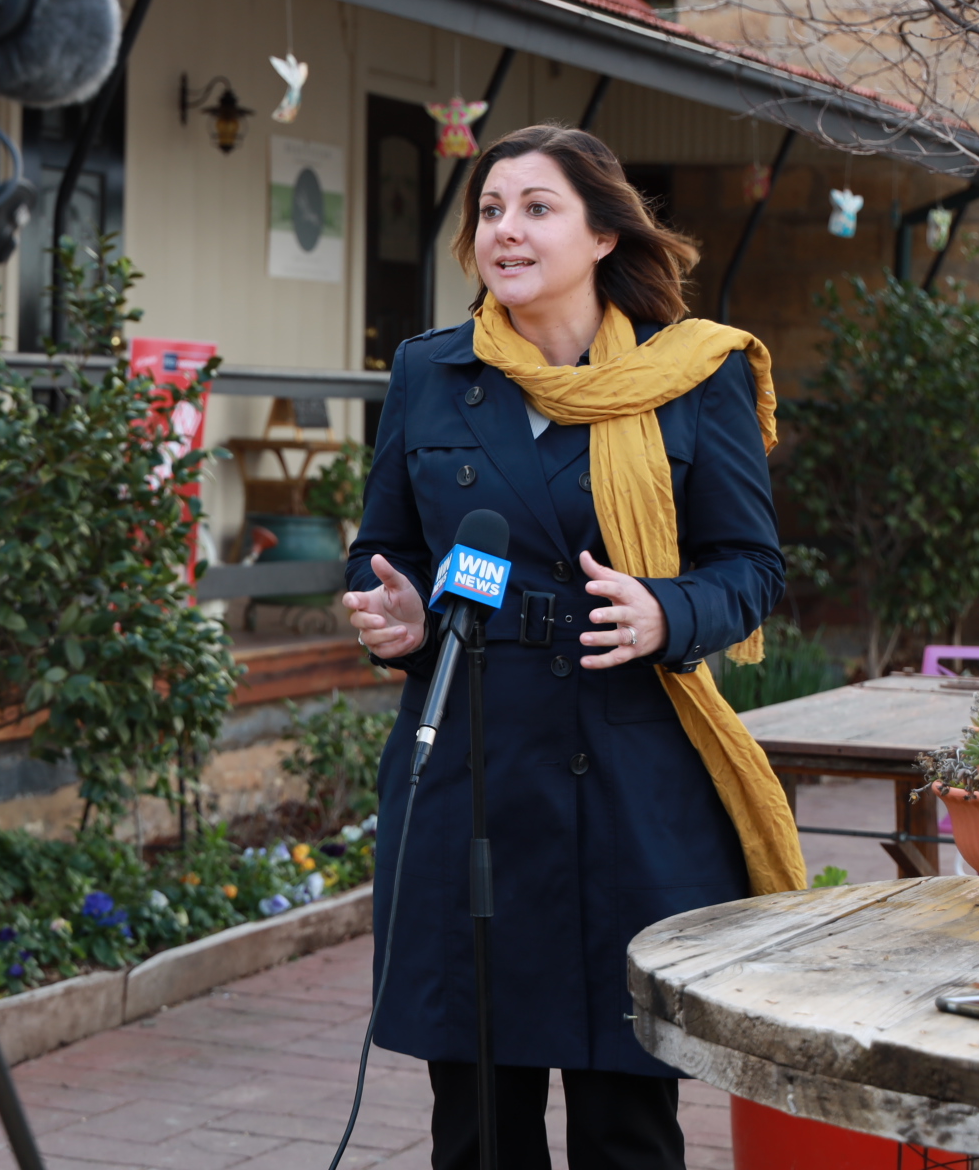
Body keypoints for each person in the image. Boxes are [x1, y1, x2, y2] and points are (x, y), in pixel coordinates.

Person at [341, 124, 803, 1170]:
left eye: (536, 207)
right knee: (477, 1117)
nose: (506, 229)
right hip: (471, 763)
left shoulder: (697, 374)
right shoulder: (431, 371)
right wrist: (403, 618)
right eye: (491, 209)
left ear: (603, 233)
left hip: (631, 775)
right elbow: (387, 547)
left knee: (624, 1121)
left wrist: (666, 614)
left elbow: (750, 567)